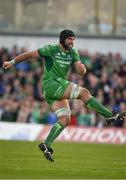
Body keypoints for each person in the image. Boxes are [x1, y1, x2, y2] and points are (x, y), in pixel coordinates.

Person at [3, 29, 126, 162]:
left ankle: (46, 144)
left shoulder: (73, 52)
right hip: (51, 84)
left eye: (73, 39)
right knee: (84, 93)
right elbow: (28, 55)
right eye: (69, 39)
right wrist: (12, 62)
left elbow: (80, 69)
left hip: (54, 91)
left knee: (65, 119)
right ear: (62, 39)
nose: (72, 42)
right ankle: (109, 116)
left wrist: (82, 69)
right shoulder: (50, 49)